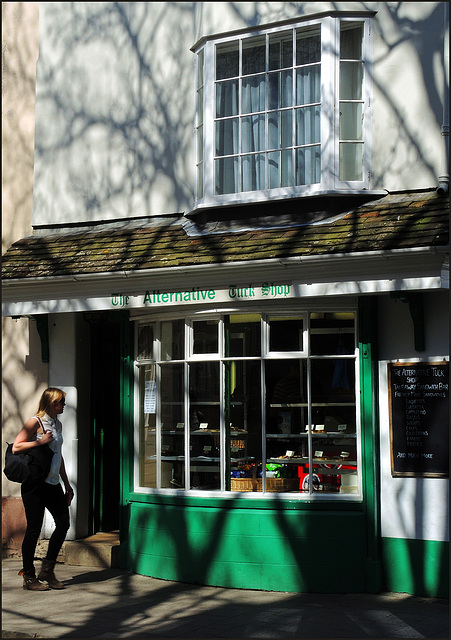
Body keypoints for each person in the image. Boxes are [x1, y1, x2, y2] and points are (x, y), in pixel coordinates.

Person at [12, 387, 74, 591]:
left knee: (63, 523)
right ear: (51, 402)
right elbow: (16, 446)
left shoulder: (58, 424)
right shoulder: (35, 422)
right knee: (33, 530)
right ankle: (29, 577)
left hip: (53, 483)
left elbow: (58, 455)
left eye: (64, 402)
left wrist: (67, 483)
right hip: (35, 485)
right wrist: (40, 442)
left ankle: (47, 570)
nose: (63, 405)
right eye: (61, 402)